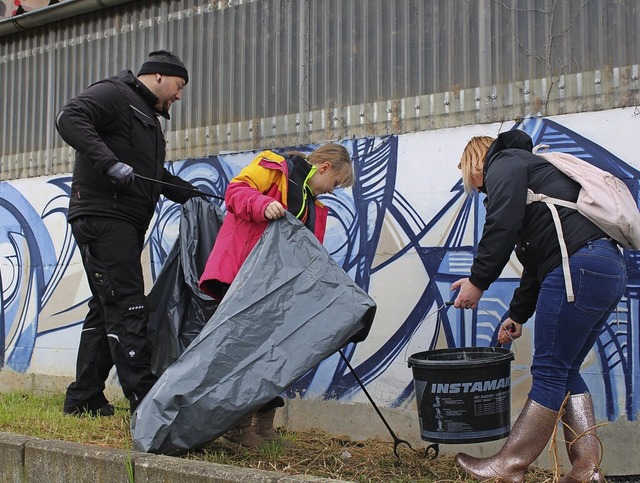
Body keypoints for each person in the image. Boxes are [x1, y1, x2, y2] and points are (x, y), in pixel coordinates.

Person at [451, 130, 627, 482]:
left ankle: (509, 465)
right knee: (565, 370)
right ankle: (586, 470)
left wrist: (477, 281)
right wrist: (517, 315)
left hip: (577, 266)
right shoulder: (530, 171)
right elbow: (537, 262)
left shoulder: (503, 164)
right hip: (604, 267)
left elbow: (500, 225)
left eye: (469, 176)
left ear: (475, 165)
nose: (477, 188)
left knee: (548, 370)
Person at [56, 50, 203, 416]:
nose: (179, 96)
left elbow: (154, 175)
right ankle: (147, 403)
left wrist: (195, 196)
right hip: (104, 217)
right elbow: (69, 117)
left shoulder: (148, 120)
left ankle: (83, 397)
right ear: (157, 76)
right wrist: (108, 164)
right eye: (178, 85)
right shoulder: (114, 94)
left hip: (124, 221)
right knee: (128, 306)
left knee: (105, 308)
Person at [199, 143, 354, 448]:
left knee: (272, 354)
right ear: (324, 168)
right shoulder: (274, 167)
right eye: (335, 183)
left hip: (275, 288)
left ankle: (264, 428)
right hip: (244, 277)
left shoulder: (313, 206)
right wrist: (260, 204)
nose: (332, 191)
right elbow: (235, 192)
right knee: (245, 353)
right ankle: (238, 428)